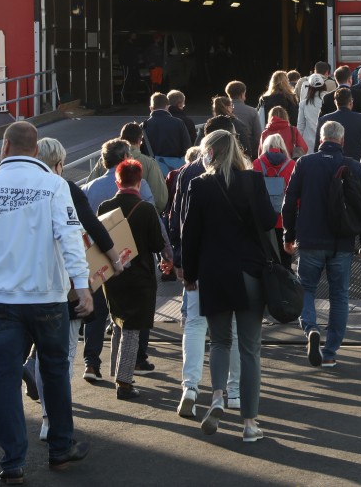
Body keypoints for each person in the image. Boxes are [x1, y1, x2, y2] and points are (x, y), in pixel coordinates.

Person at [0, 121, 92, 481]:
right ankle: (61, 448)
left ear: (4, 147)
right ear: (37, 151)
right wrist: (82, 285)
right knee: (54, 371)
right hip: (48, 297)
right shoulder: (54, 185)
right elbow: (69, 238)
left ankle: (12, 461)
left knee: (4, 378)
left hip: (1, 300)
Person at [181, 130, 275, 442]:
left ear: (211, 153)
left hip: (215, 273)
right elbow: (267, 220)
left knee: (220, 342)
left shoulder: (200, 185)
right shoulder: (254, 181)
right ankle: (249, 424)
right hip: (250, 271)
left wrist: (189, 275)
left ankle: (218, 397)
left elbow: (190, 234)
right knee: (250, 349)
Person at [35, 137, 124, 441]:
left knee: (39, 350)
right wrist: (114, 257)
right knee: (63, 352)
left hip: (27, 284)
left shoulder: (23, 188)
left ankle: (46, 415)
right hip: (65, 282)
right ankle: (56, 419)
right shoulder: (66, 188)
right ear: (59, 163)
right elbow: (90, 226)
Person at [282, 120, 361, 368]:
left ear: (320, 139)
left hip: (309, 240)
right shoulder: (354, 167)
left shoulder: (304, 164)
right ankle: (330, 352)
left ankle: (310, 328)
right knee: (339, 295)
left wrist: (289, 235)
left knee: (306, 288)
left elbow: (289, 202)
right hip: (342, 241)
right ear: (341, 141)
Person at [167, 145, 242, 419]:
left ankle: (190, 387)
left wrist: (182, 263)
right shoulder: (243, 178)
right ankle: (232, 392)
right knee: (230, 330)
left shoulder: (190, 176)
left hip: (199, 264)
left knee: (195, 325)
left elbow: (181, 223)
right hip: (233, 266)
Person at [99, 159, 170, 400]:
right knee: (132, 329)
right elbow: (156, 244)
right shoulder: (146, 209)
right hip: (140, 277)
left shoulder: (105, 207)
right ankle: (124, 382)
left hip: (113, 275)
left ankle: (116, 371)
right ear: (139, 182)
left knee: (118, 322)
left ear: (117, 180)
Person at [121, 121, 169, 213]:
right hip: (142, 216)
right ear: (139, 140)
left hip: (112, 221)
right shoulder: (149, 163)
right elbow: (160, 199)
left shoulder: (105, 161)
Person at [320, 86, 361, 163]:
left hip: (330, 162)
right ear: (350, 102)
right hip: (356, 162)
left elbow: (318, 146)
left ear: (335, 102)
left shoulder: (324, 120)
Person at [145, 92, 193, 161]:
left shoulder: (144, 125)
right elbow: (187, 147)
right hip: (176, 166)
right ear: (167, 106)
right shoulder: (179, 123)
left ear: (151, 108)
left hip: (153, 166)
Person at [227, 80, 263, 158]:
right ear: (242, 94)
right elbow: (258, 136)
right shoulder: (252, 111)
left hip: (227, 151)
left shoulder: (223, 111)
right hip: (247, 152)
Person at [296, 72, 327, 152]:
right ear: (323, 86)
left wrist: (298, 145)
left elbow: (300, 126)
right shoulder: (329, 100)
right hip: (326, 142)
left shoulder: (303, 104)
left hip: (309, 145)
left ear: (309, 88)